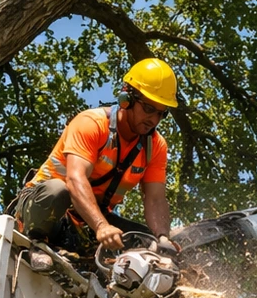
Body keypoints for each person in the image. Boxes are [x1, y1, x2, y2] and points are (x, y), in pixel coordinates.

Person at [12, 58, 178, 259]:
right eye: (148, 108)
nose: (153, 119)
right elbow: (75, 179)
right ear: (127, 97)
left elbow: (155, 198)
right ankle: (35, 242)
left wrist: (162, 238)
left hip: (83, 221)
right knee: (58, 191)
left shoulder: (155, 147)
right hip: (42, 210)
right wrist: (101, 226)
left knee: (145, 242)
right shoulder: (92, 124)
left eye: (161, 113)